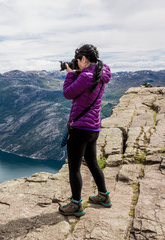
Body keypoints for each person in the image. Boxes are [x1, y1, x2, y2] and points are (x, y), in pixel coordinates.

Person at [59, 44, 112, 217]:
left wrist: (70, 75)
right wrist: (77, 72)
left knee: (74, 168)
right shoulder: (100, 74)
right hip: (94, 128)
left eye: (78, 60)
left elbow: (68, 93)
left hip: (80, 129)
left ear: (83, 59)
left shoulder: (85, 77)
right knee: (92, 162)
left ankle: (76, 204)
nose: (76, 63)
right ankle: (104, 196)